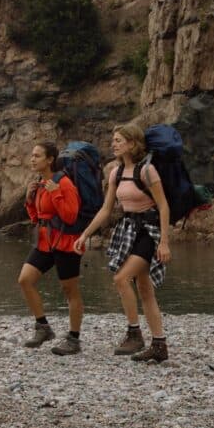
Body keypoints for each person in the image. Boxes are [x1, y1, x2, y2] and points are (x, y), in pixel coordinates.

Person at [75, 123, 171, 362]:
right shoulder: (116, 173)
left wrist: (165, 243)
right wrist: (85, 234)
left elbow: (163, 206)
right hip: (128, 230)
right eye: (113, 140)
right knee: (145, 289)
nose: (114, 143)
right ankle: (159, 345)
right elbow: (106, 210)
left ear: (132, 143)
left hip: (149, 231)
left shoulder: (148, 171)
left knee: (120, 278)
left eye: (118, 140)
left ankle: (134, 334)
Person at [17, 142, 85, 355]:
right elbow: (37, 218)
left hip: (65, 243)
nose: (32, 159)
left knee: (69, 290)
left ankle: (74, 339)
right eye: (32, 155)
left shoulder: (64, 183)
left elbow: (70, 216)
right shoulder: (39, 182)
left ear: (50, 159)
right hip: (45, 242)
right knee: (25, 280)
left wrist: (56, 193)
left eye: (37, 156)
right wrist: (29, 200)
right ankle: (43, 327)